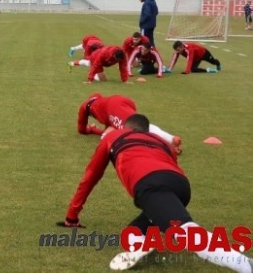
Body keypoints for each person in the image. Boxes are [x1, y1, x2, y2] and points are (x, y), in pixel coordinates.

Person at [61, 114, 251, 273]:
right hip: (181, 186)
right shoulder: (161, 141)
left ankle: (245, 265)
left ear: (126, 127)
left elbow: (90, 177)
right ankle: (143, 245)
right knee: (131, 233)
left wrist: (72, 215)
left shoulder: (113, 136)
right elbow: (171, 165)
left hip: (151, 185)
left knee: (188, 234)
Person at [76, 93, 181, 154]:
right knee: (132, 123)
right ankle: (169, 140)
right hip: (121, 100)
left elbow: (81, 129)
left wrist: (90, 130)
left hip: (113, 107)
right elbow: (110, 126)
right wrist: (94, 130)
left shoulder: (84, 107)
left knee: (112, 136)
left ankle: (170, 141)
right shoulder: (99, 99)